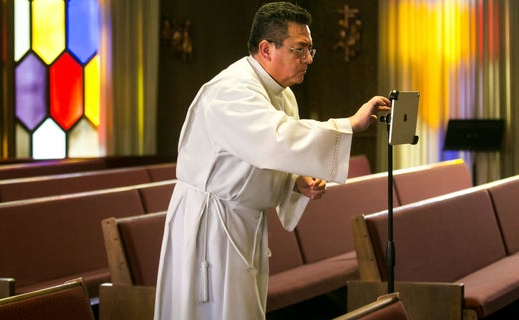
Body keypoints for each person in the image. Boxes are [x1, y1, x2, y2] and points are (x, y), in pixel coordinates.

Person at [153, 2, 391, 319]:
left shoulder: (282, 93)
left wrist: (294, 181)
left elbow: (264, 155)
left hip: (243, 219)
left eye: (310, 50)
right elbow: (275, 138)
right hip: (211, 225)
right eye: (300, 49)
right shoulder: (231, 90)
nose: (308, 58)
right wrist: (348, 124)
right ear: (266, 49)